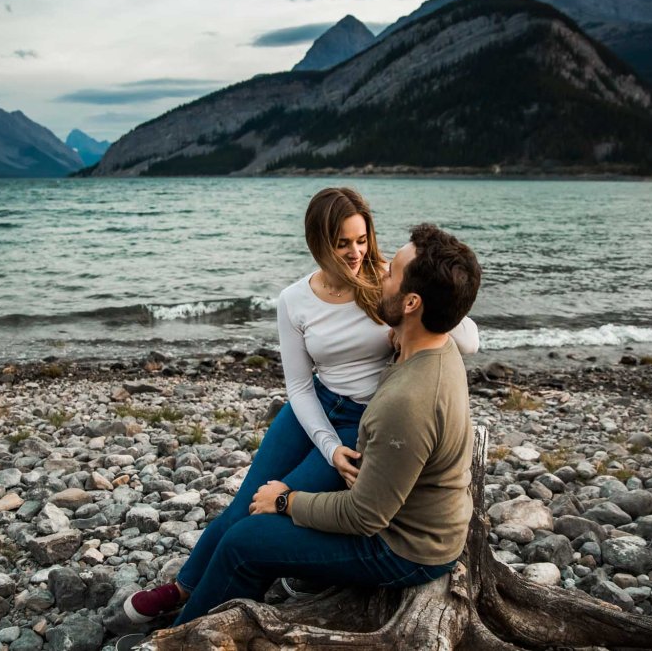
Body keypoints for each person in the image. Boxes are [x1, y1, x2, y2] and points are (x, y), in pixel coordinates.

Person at [123, 189, 478, 624]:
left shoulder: (392, 282)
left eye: (362, 240)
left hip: (369, 418)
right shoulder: (296, 299)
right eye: (343, 243)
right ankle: (182, 588)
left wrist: (421, 313)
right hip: (316, 405)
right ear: (318, 242)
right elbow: (299, 384)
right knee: (244, 504)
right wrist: (326, 446)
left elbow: (463, 335)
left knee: (264, 512)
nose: (356, 253)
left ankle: (212, 604)